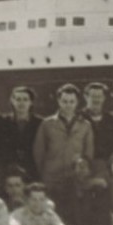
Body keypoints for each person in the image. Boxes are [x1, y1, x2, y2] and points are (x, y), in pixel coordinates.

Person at [33, 83, 95, 211]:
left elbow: (89, 153)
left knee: (73, 210)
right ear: (59, 101)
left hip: (74, 178)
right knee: (51, 210)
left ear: (77, 102)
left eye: (72, 101)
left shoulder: (85, 125)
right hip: (51, 177)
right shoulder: (47, 123)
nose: (68, 105)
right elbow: (38, 152)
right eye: (64, 101)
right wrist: (45, 172)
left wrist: (82, 173)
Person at [0, 85, 43, 184]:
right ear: (12, 101)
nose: (21, 103)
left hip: (33, 170)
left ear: (31, 102)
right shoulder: (2, 122)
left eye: (25, 99)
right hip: (9, 170)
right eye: (18, 99)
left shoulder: (40, 123)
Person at [81, 81, 113, 180]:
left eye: (99, 96)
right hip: (84, 167)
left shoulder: (111, 120)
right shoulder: (78, 117)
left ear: (104, 98)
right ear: (86, 97)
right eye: (93, 96)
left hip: (105, 168)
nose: (96, 99)